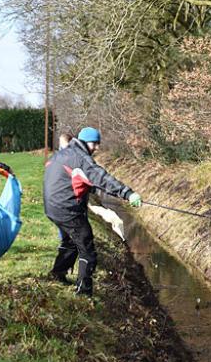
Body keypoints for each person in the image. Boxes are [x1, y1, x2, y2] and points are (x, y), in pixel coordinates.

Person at [43, 126, 142, 296]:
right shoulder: (81, 159)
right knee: (87, 248)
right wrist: (128, 193)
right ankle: (83, 292)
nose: (96, 148)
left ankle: (57, 274)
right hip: (67, 208)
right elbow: (102, 178)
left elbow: (75, 180)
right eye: (94, 143)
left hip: (51, 206)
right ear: (85, 141)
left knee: (71, 241)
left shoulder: (62, 154)